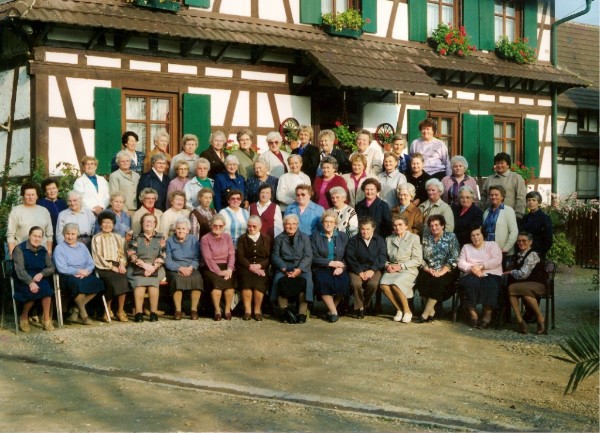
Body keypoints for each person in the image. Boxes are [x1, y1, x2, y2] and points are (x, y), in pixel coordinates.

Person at [54, 223, 105, 325]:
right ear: (64, 234)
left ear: (77, 235)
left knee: (98, 283)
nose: (70, 236)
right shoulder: (59, 248)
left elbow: (91, 263)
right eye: (67, 233)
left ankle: (75, 310)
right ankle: (84, 315)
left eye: (73, 234)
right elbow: (61, 268)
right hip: (68, 276)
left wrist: (86, 272)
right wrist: (78, 271)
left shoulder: (82, 246)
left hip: (84, 274)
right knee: (77, 285)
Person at [415, 215, 459, 323]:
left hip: (447, 270)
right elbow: (420, 257)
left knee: (438, 282)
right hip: (429, 269)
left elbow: (454, 257)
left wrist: (441, 272)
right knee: (421, 279)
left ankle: (425, 314)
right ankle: (432, 311)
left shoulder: (451, 237)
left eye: (436, 225)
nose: (434, 228)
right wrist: (427, 269)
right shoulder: (426, 238)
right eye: (431, 226)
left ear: (443, 225)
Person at [457, 226, 503, 329]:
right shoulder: (466, 247)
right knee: (466, 284)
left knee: (490, 285)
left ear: (483, 235)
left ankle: (487, 314)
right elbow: (460, 262)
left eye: (478, 234)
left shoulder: (492, 245)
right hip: (471, 273)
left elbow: (497, 260)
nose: (475, 237)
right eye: (472, 235)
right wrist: (471, 268)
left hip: (491, 273)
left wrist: (481, 266)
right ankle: (473, 314)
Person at [271, 214, 313, 324]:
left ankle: (302, 313)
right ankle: (284, 311)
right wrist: (283, 268)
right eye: (288, 223)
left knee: (306, 282)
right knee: (278, 281)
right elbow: (275, 256)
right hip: (284, 267)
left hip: (301, 267)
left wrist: (299, 269)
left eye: (294, 224)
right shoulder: (279, 238)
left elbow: (308, 256)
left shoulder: (305, 237)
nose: (291, 226)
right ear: (284, 225)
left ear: (298, 225)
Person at [379, 215, 422, 323]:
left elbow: (417, 259)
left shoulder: (414, 238)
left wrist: (401, 266)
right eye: (395, 225)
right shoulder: (388, 239)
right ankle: (399, 310)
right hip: (392, 268)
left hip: (408, 269)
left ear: (406, 226)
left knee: (396, 284)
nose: (397, 227)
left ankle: (407, 311)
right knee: (383, 285)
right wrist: (387, 265)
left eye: (400, 225)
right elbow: (383, 257)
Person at [12, 227, 56, 332]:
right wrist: (30, 282)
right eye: (34, 236)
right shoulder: (19, 249)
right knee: (32, 291)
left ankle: (46, 320)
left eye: (39, 236)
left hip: (39, 277)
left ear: (42, 238)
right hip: (23, 279)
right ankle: (23, 317)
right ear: (29, 236)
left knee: (46, 290)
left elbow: (51, 267)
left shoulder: (43, 250)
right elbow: (20, 270)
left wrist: (42, 273)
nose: (36, 239)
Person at [310, 211, 350, 323]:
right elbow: (312, 257)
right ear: (322, 223)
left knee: (344, 282)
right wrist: (330, 263)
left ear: (335, 224)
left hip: (339, 268)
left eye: (331, 222)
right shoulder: (315, 236)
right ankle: (333, 312)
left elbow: (349, 256)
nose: (328, 224)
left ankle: (330, 309)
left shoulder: (343, 236)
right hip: (321, 267)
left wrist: (342, 268)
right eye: (326, 222)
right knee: (323, 281)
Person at [505, 231, 548, 334]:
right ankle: (521, 321)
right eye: (519, 241)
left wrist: (511, 272)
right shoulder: (518, 255)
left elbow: (523, 274)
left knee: (511, 289)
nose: (521, 243)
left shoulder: (532, 254)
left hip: (539, 284)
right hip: (526, 286)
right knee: (519, 294)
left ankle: (540, 319)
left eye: (524, 240)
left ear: (530, 242)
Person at [126, 213, 166, 323]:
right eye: (146, 221)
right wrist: (144, 266)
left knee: (153, 283)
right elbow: (131, 254)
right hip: (137, 267)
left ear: (155, 224)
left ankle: (153, 313)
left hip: (156, 267)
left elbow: (163, 254)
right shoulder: (136, 237)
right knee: (139, 282)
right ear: (142, 224)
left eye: (151, 221)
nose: (148, 223)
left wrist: (153, 267)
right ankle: (139, 313)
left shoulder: (160, 237)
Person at [91, 211, 130, 323]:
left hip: (118, 265)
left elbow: (122, 253)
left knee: (124, 279)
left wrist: (122, 264)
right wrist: (113, 268)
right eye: (104, 223)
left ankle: (120, 311)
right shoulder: (96, 238)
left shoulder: (118, 237)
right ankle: (106, 310)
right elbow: (97, 257)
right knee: (113, 281)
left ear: (113, 224)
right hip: (103, 267)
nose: (107, 225)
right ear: (100, 224)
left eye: (110, 223)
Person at [346, 217, 387, 319]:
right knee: (356, 284)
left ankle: (365, 304)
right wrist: (359, 271)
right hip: (356, 269)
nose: (365, 231)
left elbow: (382, 257)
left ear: (373, 229)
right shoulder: (353, 240)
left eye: (368, 229)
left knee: (373, 284)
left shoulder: (380, 240)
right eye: (363, 229)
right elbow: (350, 257)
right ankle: (361, 309)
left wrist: (372, 269)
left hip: (374, 269)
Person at [165, 218, 203, 321]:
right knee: (177, 280)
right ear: (175, 230)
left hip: (191, 266)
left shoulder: (193, 239)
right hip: (175, 267)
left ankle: (194, 310)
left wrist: (190, 268)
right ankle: (178, 310)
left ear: (188, 230)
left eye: (183, 228)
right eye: (178, 228)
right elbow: (168, 261)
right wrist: (180, 268)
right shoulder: (169, 241)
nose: (181, 231)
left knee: (197, 279)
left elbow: (197, 258)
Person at [200, 214, 236, 321]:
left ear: (224, 226)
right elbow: (208, 258)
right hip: (210, 267)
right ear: (211, 226)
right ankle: (217, 311)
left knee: (229, 286)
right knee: (217, 286)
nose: (218, 228)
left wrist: (229, 269)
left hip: (226, 266)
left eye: (220, 226)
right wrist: (219, 272)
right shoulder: (205, 239)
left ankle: (227, 310)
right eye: (215, 225)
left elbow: (231, 254)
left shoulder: (227, 237)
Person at [236, 215, 272, 321]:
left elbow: (269, 257)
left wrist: (260, 266)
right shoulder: (242, 238)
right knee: (246, 283)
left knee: (259, 284)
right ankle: (247, 311)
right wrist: (250, 266)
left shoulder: (266, 239)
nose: (251, 228)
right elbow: (240, 256)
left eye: (254, 226)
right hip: (246, 267)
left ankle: (257, 310)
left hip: (261, 267)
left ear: (260, 227)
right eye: (249, 226)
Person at [7, 182, 53, 256]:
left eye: (33, 194)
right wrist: (12, 253)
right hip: (22, 253)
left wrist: (49, 252)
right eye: (28, 195)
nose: (30, 197)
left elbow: (49, 235)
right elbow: (10, 235)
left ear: (37, 196)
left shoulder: (44, 211)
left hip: (42, 253)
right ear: (23, 196)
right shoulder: (16, 211)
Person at [481, 152, 527, 220]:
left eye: (502, 163)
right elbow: (483, 197)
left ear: (508, 165)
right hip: (490, 216)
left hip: (509, 217)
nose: (499, 165)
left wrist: (518, 215)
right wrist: (482, 211)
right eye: (497, 163)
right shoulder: (490, 179)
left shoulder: (516, 178)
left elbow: (521, 198)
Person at [482, 185, 519, 258]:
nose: (493, 197)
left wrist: (506, 248)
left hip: (503, 251)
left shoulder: (508, 210)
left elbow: (514, 231)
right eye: (491, 195)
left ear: (502, 197)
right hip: (487, 251)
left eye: (496, 195)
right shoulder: (486, 212)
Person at [519, 191, 553, 260]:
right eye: (529, 200)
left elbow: (548, 240)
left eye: (534, 200)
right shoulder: (525, 218)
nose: (531, 202)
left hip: (537, 254)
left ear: (539, 202)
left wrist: (539, 253)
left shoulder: (545, 218)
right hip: (523, 253)